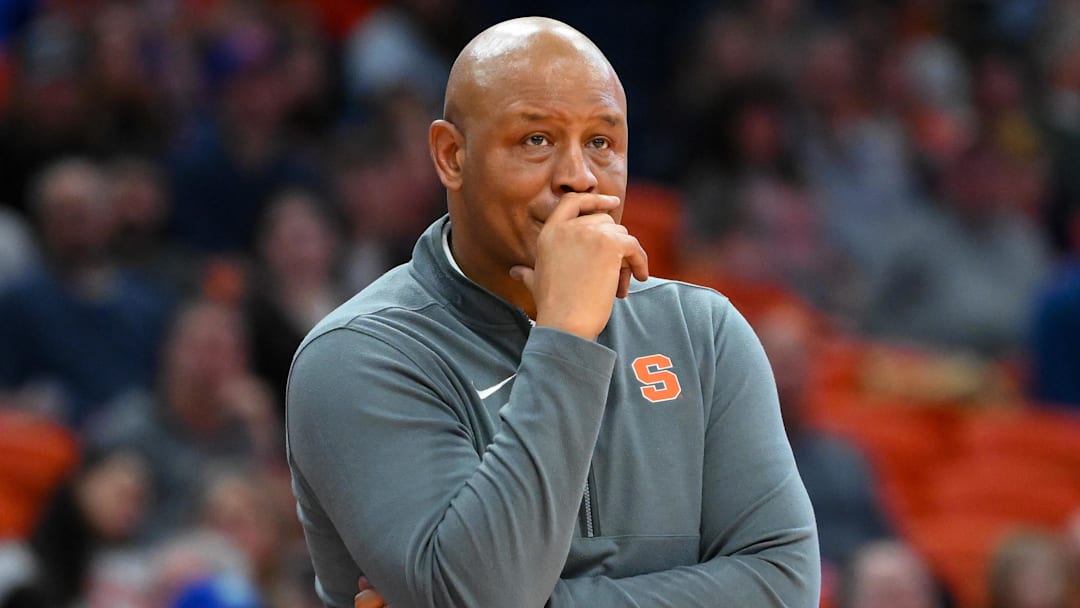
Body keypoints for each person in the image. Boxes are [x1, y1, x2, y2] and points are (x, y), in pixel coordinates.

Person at [286, 17, 819, 608]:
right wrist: (564, 333)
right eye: (535, 140)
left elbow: (783, 585)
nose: (578, 178)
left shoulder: (703, 334)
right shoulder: (358, 355)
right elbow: (478, 595)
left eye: (601, 143)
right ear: (451, 156)